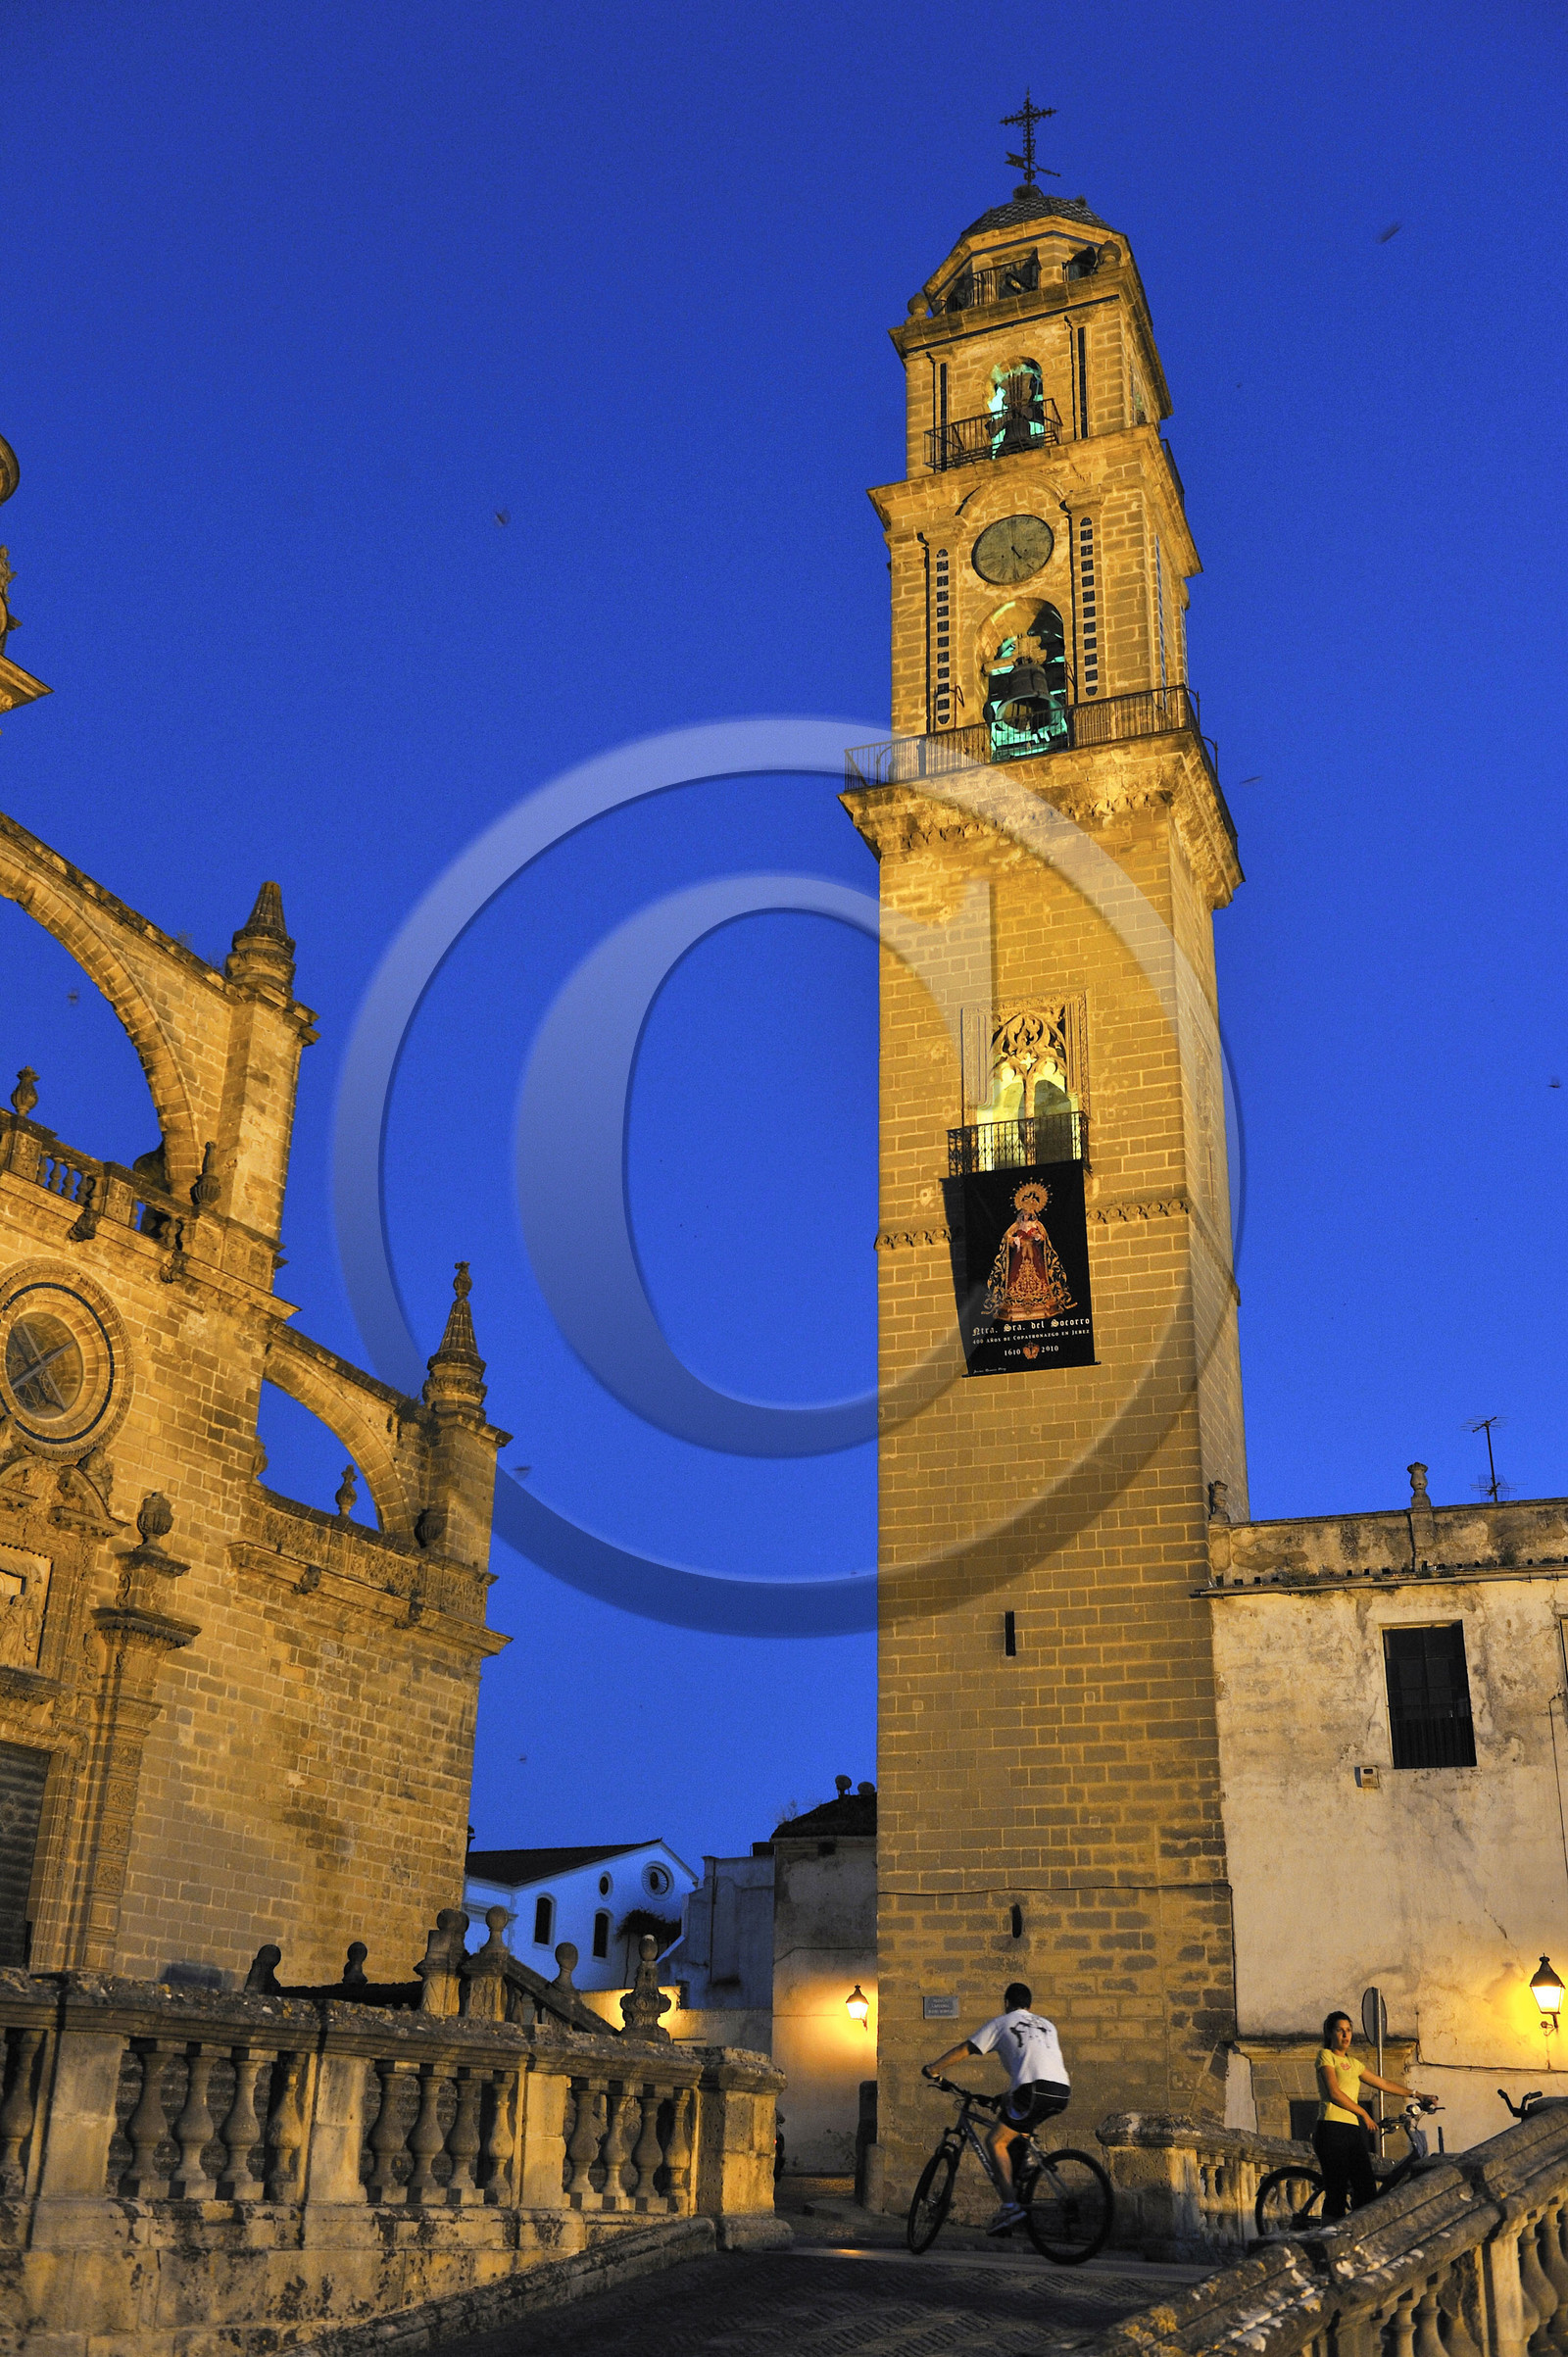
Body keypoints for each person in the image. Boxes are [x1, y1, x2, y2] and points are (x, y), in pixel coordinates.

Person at [923, 1981, 1070, 2233]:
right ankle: (1024, 2173)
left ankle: (1011, 2207)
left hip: (1032, 2090)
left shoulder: (1002, 2022)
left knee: (995, 2141)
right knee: (1017, 2134)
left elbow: (965, 2049)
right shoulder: (1047, 2025)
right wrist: (1005, 2096)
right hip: (1060, 2091)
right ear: (1030, 2004)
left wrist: (934, 2069)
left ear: (1006, 2003)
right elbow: (1036, 2064)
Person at [1314, 2009, 1419, 2221]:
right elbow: (1334, 2093)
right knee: (1336, 2190)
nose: (1345, 2035)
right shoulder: (1326, 2056)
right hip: (1331, 2127)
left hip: (1351, 2131)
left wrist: (1417, 2094)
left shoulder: (1354, 2064)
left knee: (1366, 2189)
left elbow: (1384, 2083)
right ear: (1329, 2033)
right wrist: (1363, 2112)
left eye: (1349, 2030)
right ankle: (1326, 2243)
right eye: (1340, 2030)